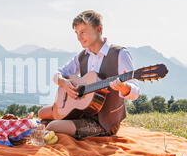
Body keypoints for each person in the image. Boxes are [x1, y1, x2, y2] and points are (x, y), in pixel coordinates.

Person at [37, 10, 140, 139]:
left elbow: (135, 91)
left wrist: (125, 88)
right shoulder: (83, 55)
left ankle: (50, 127)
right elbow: (58, 73)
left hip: (104, 122)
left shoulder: (120, 54)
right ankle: (52, 125)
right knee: (41, 113)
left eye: (83, 32)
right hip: (83, 112)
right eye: (77, 33)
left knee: (52, 126)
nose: (79, 38)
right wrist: (63, 82)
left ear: (99, 29)